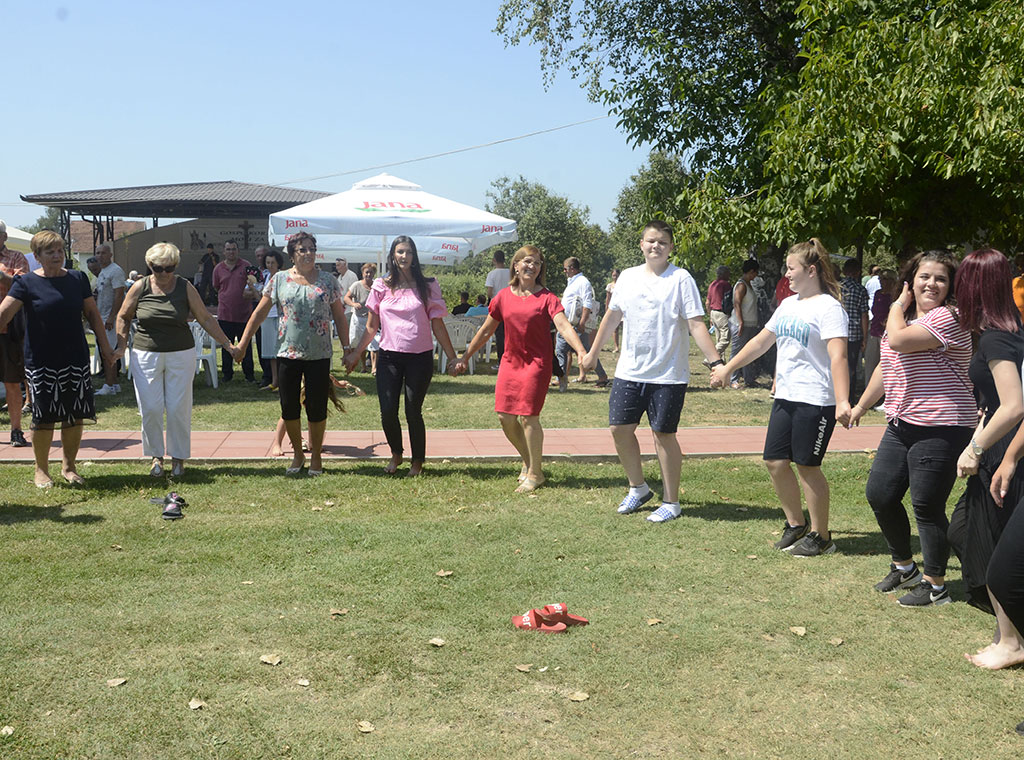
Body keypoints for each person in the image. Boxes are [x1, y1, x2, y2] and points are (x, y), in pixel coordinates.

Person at [848, 251, 975, 606]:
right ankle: (904, 567)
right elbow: (887, 364)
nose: (932, 284)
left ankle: (936, 586)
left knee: (926, 505)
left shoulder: (949, 317)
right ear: (911, 281)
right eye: (925, 277)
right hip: (901, 422)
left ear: (951, 286)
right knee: (880, 494)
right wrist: (861, 406)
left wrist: (894, 305)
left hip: (942, 424)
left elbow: (899, 342)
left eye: (941, 279)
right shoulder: (902, 320)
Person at [711, 238, 851, 556]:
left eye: (791, 268)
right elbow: (760, 343)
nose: (786, 274)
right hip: (786, 396)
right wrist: (728, 368)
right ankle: (796, 524)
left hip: (817, 399)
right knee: (775, 462)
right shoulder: (788, 305)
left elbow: (838, 356)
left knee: (807, 466)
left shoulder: (829, 308)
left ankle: (821, 536)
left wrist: (843, 400)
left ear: (811, 271)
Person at [582, 220, 723, 523]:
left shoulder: (681, 278)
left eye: (662, 242)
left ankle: (671, 502)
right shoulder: (628, 277)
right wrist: (593, 353)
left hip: (668, 374)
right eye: (651, 240)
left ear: (670, 247)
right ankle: (638, 488)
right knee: (619, 429)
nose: (656, 246)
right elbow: (612, 317)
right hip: (629, 372)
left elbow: (696, 324)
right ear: (642, 244)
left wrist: (716, 363)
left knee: (663, 435)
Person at [943, 249, 1024, 667]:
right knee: (963, 531)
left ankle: (1010, 642)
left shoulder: (996, 338)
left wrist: (976, 448)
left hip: (1008, 452)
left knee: (996, 547)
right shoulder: (1009, 330)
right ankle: (1007, 633)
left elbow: (1013, 406)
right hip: (997, 446)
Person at [452, 245, 587, 492]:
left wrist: (580, 350)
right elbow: (486, 330)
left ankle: (535, 473)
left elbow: (563, 326)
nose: (532, 266)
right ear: (516, 265)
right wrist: (466, 356)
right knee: (505, 417)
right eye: (527, 261)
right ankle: (529, 461)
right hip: (510, 363)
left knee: (528, 416)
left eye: (537, 263)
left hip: (537, 364)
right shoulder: (503, 297)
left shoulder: (547, 298)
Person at [114, 243, 239, 477]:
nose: (164, 273)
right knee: (150, 408)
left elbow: (205, 318)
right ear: (150, 265)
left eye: (169, 268)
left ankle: (179, 458)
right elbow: (123, 315)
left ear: (176, 266)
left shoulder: (185, 287)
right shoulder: (140, 286)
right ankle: (156, 456)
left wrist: (227, 345)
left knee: (177, 408)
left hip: (181, 353)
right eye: (158, 268)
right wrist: (121, 347)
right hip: (145, 354)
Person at [0, 231, 114, 488]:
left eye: (60, 250)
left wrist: (106, 349)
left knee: (74, 415)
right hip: (41, 360)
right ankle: (41, 470)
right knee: (44, 417)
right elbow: (4, 315)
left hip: (75, 357)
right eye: (50, 251)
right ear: (37, 256)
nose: (56, 255)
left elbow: (92, 314)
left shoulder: (77, 278)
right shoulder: (25, 282)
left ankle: (69, 467)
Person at [344, 236, 458, 477]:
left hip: (420, 357)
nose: (404, 256)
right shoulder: (380, 285)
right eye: (400, 252)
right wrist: (356, 354)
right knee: (387, 410)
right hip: (388, 357)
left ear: (414, 256)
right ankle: (396, 453)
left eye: (408, 252)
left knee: (413, 410)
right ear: (393, 256)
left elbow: (438, 325)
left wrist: (452, 357)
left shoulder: (428, 285)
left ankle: (417, 461)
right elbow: (371, 327)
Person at [239, 232, 347, 476]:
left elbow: (340, 316)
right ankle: (298, 454)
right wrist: (243, 343)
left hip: (319, 354)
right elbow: (259, 313)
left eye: (311, 249)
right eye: (302, 249)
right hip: (287, 353)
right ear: (292, 255)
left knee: (317, 408)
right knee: (289, 407)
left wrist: (348, 349)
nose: (308, 254)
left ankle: (316, 456)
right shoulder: (279, 279)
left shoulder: (328, 280)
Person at [556, 257, 608, 387]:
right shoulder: (572, 282)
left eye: (565, 269)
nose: (564, 271)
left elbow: (587, 304)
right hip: (566, 323)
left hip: (576, 324)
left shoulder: (583, 282)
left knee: (586, 352)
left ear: (572, 269)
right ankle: (561, 377)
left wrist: (582, 323)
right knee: (560, 350)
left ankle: (602, 376)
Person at [0, 220, 29, 447]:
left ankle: (16, 430)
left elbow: (23, 285)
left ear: (4, 236)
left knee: (12, 381)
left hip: (8, 328)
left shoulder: (16, 257)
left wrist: (3, 276)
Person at [213, 240, 257, 383]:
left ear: (238, 251)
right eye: (228, 249)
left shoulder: (246, 266)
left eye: (233, 249)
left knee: (246, 346)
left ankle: (249, 375)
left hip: (244, 314)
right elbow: (216, 286)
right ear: (224, 251)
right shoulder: (218, 268)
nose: (231, 252)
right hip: (225, 313)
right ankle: (227, 375)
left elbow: (254, 285)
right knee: (226, 345)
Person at [93, 243, 126, 396]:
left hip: (109, 317)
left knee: (109, 352)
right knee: (104, 351)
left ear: (110, 255)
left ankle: (109, 385)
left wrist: (112, 317)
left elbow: (119, 295)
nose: (100, 256)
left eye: (103, 253)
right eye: (98, 253)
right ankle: (114, 384)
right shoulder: (102, 271)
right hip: (102, 315)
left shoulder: (116, 271)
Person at [840, 258, 869, 398]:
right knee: (851, 367)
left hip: (836, 332)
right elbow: (864, 315)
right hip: (854, 333)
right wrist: (865, 337)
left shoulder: (835, 287)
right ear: (858, 272)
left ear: (844, 271)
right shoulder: (860, 289)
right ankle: (849, 397)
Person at [730, 259, 761, 388]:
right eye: (755, 272)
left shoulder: (749, 285)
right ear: (751, 271)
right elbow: (737, 303)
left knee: (749, 352)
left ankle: (749, 379)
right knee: (737, 352)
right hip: (741, 324)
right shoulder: (741, 285)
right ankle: (733, 379)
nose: (756, 275)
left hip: (751, 324)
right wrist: (740, 322)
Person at [863, 269, 895, 394]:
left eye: (884, 279)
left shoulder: (894, 296)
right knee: (870, 363)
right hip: (874, 331)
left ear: (891, 281)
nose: (882, 282)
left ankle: (886, 393)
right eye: (880, 279)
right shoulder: (878, 293)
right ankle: (868, 392)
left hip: (886, 335)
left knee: (886, 366)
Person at [344, 263, 379, 375]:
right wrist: (353, 304)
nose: (368, 274)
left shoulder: (377, 286)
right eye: (366, 272)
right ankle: (363, 366)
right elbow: (346, 297)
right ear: (363, 273)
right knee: (360, 344)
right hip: (358, 319)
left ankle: (374, 368)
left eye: (371, 272)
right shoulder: (356, 285)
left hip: (373, 319)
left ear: (374, 273)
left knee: (375, 343)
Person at [258, 249, 285, 390]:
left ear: (278, 263)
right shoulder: (266, 277)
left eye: (272, 262)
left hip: (280, 316)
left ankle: (283, 381)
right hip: (267, 316)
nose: (270, 265)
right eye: (267, 262)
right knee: (271, 352)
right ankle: (275, 382)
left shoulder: (283, 277)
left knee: (281, 351)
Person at [485, 250, 510, 364]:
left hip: (498, 307)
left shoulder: (492, 274)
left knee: (499, 335)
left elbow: (490, 293)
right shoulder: (511, 273)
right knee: (509, 334)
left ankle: (501, 360)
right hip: (511, 305)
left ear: (494, 260)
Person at [706, 265, 732, 358]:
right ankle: (711, 357)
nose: (729, 275)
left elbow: (707, 302)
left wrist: (710, 315)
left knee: (719, 339)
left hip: (713, 312)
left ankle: (719, 361)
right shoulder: (726, 285)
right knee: (725, 339)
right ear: (724, 274)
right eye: (728, 273)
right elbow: (729, 300)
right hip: (722, 313)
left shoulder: (712, 285)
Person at [605, 268, 621, 351]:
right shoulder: (609, 286)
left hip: (622, 307)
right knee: (615, 328)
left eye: (616, 275)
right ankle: (616, 346)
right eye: (613, 275)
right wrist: (607, 308)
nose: (615, 277)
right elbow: (608, 298)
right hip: (614, 308)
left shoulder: (623, 285)